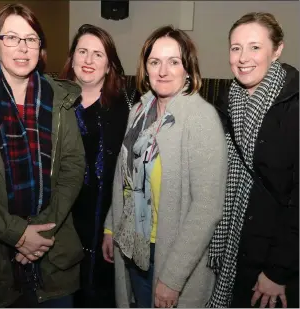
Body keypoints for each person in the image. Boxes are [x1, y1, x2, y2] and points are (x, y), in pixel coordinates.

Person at [0, 4, 85, 308]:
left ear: (40, 47)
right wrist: (17, 234)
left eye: (31, 39)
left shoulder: (60, 98)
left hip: (53, 259)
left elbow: (73, 168)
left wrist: (40, 232)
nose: (23, 47)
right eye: (12, 38)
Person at [102, 25, 228, 308]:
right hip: (135, 245)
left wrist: (172, 278)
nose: (163, 71)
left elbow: (207, 209)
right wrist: (112, 226)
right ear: (145, 68)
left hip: (172, 256)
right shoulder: (140, 111)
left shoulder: (201, 118)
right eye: (154, 62)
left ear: (188, 69)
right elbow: (125, 177)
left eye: (174, 62)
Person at [206, 12, 299, 308]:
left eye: (255, 47)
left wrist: (277, 271)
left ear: (277, 50)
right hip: (237, 248)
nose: (243, 57)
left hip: (276, 261)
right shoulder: (227, 102)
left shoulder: (293, 106)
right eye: (236, 48)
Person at [60, 24, 137, 307]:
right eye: (83, 52)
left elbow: (131, 176)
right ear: (72, 59)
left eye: (98, 54)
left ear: (109, 66)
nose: (89, 60)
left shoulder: (126, 109)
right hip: (62, 218)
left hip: (106, 221)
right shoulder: (55, 103)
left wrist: (113, 226)